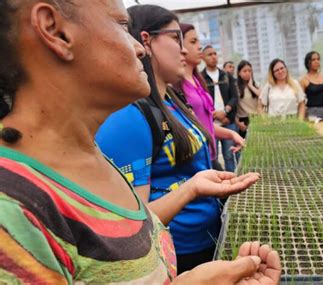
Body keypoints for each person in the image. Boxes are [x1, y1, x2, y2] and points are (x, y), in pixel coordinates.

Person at [0, 1, 281, 283]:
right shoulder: (9, 207)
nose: (139, 48)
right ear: (54, 30)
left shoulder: (91, 156)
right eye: (122, 25)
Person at [177, 23, 244, 171]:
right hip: (196, 161)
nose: (199, 47)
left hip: (209, 155)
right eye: (193, 42)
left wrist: (232, 134)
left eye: (199, 42)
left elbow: (205, 124)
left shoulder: (198, 80)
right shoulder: (176, 84)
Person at [201, 46, 239, 172]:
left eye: (215, 53)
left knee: (229, 156)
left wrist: (225, 112)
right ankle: (217, 186)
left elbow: (234, 97)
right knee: (213, 157)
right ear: (203, 58)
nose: (213, 56)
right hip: (210, 124)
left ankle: (231, 183)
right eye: (209, 54)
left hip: (228, 122)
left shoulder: (226, 75)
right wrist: (212, 115)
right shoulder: (200, 78)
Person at [300, 51, 323, 121]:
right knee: (317, 131)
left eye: (318, 59)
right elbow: (301, 101)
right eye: (313, 60)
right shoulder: (303, 80)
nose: (316, 61)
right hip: (312, 112)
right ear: (308, 62)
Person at [236, 60, 260, 138]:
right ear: (239, 73)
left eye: (249, 71)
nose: (247, 73)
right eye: (244, 71)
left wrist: (251, 86)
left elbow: (262, 97)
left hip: (256, 118)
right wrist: (237, 122)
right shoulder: (236, 87)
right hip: (243, 120)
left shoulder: (256, 85)